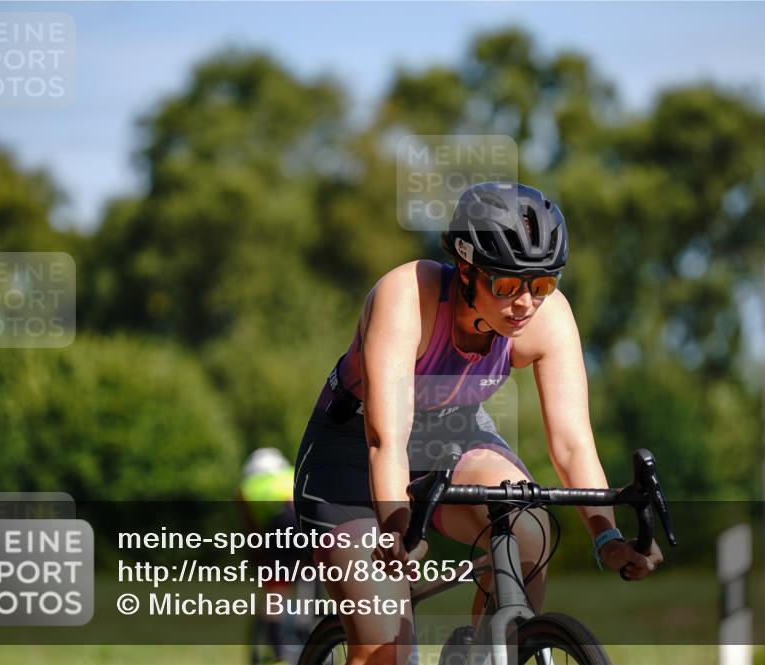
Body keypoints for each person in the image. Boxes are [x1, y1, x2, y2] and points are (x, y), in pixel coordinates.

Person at [293, 182, 663, 665]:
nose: (526, 303)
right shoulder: (407, 295)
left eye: (542, 284)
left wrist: (607, 539)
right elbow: (386, 440)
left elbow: (573, 443)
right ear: (466, 270)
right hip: (353, 454)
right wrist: (398, 528)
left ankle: (486, 655)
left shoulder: (547, 319)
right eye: (507, 286)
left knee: (528, 525)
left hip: (454, 437)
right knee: (386, 650)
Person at [239, 447, 300, 665]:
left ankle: (279, 652)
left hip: (279, 526)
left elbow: (252, 531)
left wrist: (260, 559)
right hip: (304, 521)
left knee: (276, 592)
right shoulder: (291, 474)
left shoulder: (247, 487)